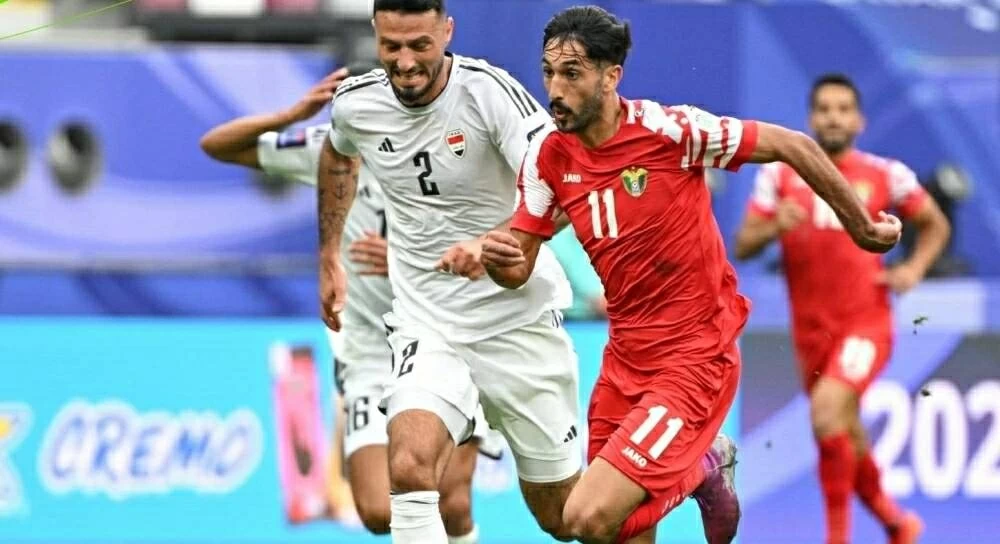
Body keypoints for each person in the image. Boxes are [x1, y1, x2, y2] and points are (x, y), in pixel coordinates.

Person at [472, 7, 904, 544]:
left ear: (611, 76)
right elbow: (520, 264)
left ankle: (704, 467)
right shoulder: (547, 158)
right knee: (593, 528)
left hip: (695, 356)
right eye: (548, 72)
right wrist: (499, 260)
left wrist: (862, 226)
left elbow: (792, 145)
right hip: (624, 360)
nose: (555, 89)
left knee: (588, 516)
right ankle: (698, 471)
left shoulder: (671, 131)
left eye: (572, 73)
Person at [314, 2, 590, 542]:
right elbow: (338, 156)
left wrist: (491, 244)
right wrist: (329, 255)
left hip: (517, 322)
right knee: (409, 466)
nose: (405, 62)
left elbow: (564, 183)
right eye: (392, 46)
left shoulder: (489, 94)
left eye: (420, 45)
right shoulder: (357, 103)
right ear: (375, 34)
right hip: (428, 323)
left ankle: (692, 473)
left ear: (447, 31)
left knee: (565, 519)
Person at [198, 65, 494, 544]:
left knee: (451, 502)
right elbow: (216, 145)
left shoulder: (448, 148)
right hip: (371, 351)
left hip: (448, 337)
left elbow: (486, 239)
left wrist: (404, 259)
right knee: (377, 511)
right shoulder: (329, 149)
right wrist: (290, 115)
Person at [734, 73, 950, 544]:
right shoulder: (780, 176)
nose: (833, 117)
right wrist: (773, 227)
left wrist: (914, 269)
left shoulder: (886, 174)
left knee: (827, 413)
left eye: (843, 109)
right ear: (811, 119)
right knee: (844, 430)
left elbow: (935, 224)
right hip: (811, 332)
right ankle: (897, 524)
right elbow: (744, 243)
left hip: (865, 324)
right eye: (825, 109)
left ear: (859, 120)